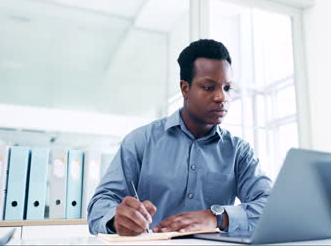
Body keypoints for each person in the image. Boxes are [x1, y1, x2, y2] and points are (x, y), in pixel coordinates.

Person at [87, 39, 272, 236]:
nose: (222, 97)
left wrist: (216, 216)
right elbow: (99, 205)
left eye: (227, 88)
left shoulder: (238, 151)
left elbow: (271, 207)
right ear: (185, 88)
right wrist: (116, 220)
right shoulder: (140, 141)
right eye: (209, 87)